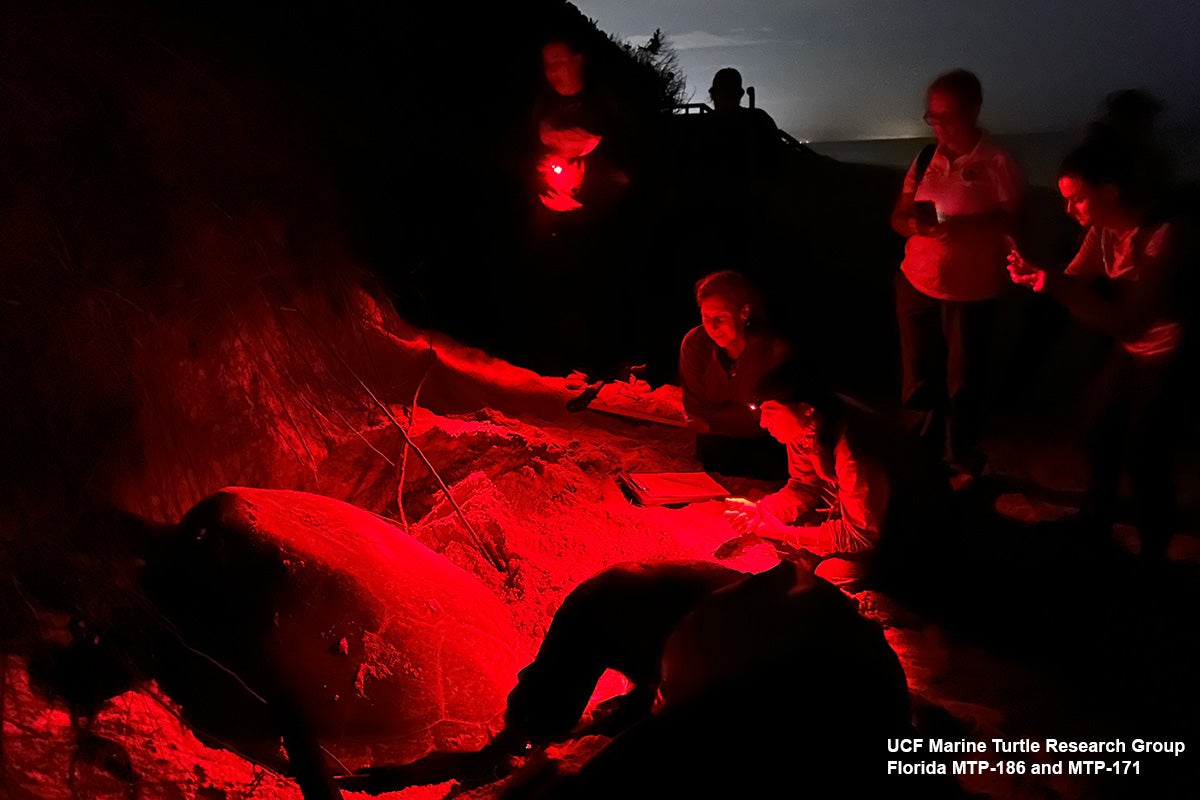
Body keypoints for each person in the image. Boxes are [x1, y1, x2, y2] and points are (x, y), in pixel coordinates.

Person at [1007, 107, 1190, 561]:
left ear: (1110, 191)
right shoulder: (1104, 231)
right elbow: (1073, 277)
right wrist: (1037, 275)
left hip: (1171, 352)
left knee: (1147, 457)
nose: (1067, 208)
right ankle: (1097, 524)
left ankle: (1154, 555)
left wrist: (1055, 285)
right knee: (1097, 429)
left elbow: (1130, 321)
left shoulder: (1166, 236)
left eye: (1078, 199)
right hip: (1131, 349)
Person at [890, 69, 1023, 484]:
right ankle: (918, 453)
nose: (938, 125)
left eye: (946, 116)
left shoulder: (997, 160)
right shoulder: (926, 158)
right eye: (932, 116)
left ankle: (961, 456)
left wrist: (965, 228)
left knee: (964, 378)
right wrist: (914, 226)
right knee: (918, 374)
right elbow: (897, 216)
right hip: (917, 280)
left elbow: (1015, 222)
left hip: (972, 289)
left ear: (973, 111)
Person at [716, 362, 891, 590]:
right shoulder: (803, 430)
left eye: (770, 412)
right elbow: (804, 487)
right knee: (775, 534)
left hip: (889, 534)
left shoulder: (853, 450)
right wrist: (762, 512)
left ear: (807, 408)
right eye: (760, 412)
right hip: (841, 516)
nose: (762, 423)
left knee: (827, 574)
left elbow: (861, 534)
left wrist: (786, 533)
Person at [679, 270, 788, 478]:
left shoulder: (772, 351)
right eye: (706, 317)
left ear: (744, 312)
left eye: (721, 317)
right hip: (713, 448)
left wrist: (713, 422)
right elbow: (694, 409)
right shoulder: (695, 344)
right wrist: (741, 416)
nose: (713, 326)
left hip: (766, 449)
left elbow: (770, 423)